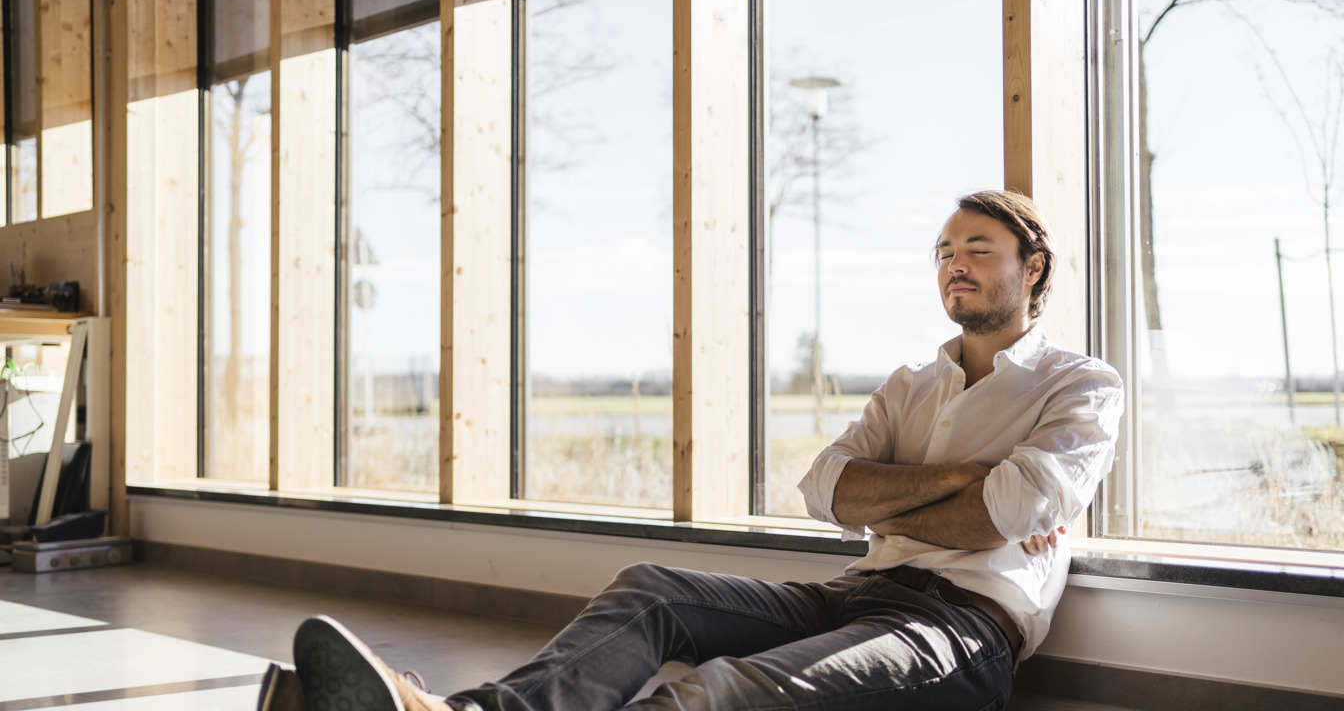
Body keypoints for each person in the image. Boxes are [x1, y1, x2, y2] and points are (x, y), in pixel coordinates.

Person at [262, 189, 1124, 711]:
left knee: (718, 695)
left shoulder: (1082, 384)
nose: (955, 266)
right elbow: (824, 491)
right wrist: (965, 482)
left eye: (978, 249)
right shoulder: (911, 384)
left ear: (1033, 267)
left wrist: (912, 495)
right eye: (944, 253)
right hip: (859, 592)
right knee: (650, 592)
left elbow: (1012, 510)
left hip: (959, 631)